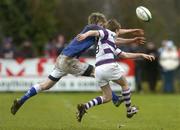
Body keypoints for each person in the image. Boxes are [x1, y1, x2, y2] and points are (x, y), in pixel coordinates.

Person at [10, 12, 145, 115]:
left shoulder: (98, 34)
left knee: (45, 85)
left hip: (62, 59)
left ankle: (21, 100)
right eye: (102, 24)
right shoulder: (92, 27)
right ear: (97, 22)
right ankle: (115, 99)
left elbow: (114, 37)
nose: (104, 27)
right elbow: (114, 32)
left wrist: (132, 38)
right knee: (95, 72)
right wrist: (132, 32)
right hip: (68, 60)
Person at [76, 19, 155, 122]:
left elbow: (125, 54)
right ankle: (129, 110)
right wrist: (85, 35)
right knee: (125, 84)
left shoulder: (108, 42)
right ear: (117, 30)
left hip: (98, 70)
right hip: (108, 65)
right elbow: (94, 32)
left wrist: (141, 54)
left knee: (107, 97)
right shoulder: (108, 32)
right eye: (119, 31)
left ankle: (85, 107)